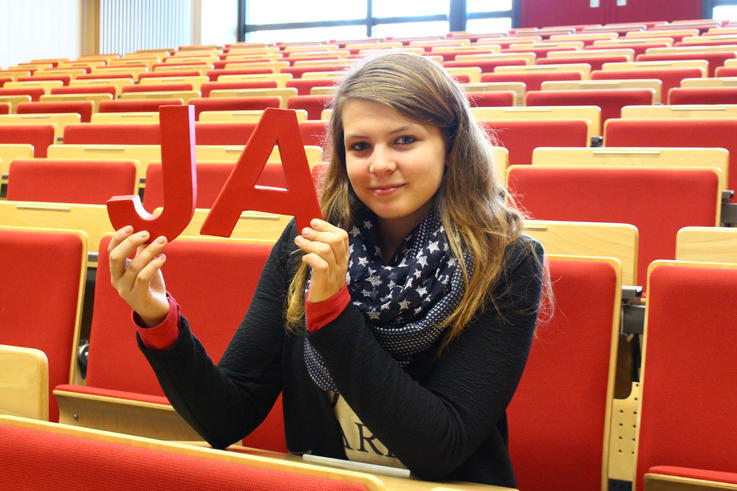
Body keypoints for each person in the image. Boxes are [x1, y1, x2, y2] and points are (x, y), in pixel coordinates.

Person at [108, 52, 545, 487]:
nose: (379, 164)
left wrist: (333, 315)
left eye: (404, 140)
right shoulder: (306, 242)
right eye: (360, 146)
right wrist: (158, 317)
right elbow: (226, 417)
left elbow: (439, 449)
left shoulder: (506, 260)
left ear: (450, 147)